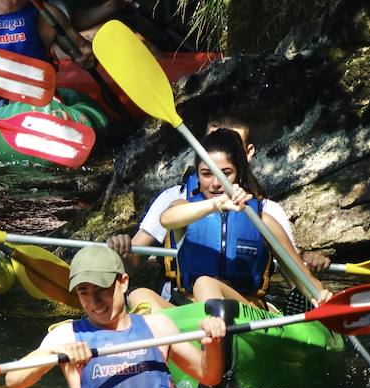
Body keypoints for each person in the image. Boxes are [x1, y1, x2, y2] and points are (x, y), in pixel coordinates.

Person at [5, 245, 227, 388]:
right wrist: (54, 353)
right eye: (84, 292)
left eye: (101, 289)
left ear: (123, 282)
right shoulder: (66, 335)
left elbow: (210, 376)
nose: (94, 302)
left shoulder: (158, 326)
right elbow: (13, 381)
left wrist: (213, 344)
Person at [133, 128, 330, 310]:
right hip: (192, 311)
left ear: (240, 173)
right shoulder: (183, 208)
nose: (216, 183)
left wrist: (322, 295)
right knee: (139, 296)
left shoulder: (263, 220)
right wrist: (216, 204)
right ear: (198, 175)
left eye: (225, 173)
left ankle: (214, 341)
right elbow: (167, 219)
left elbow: (303, 279)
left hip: (246, 310)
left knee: (205, 284)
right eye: (206, 174)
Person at [108, 116, 332, 275]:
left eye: (230, 146)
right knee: (141, 297)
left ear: (245, 156)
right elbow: (133, 262)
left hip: (238, 306)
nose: (216, 180)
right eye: (211, 144)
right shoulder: (173, 200)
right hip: (184, 306)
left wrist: (310, 264)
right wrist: (122, 251)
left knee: (209, 286)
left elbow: (292, 270)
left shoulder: (266, 213)